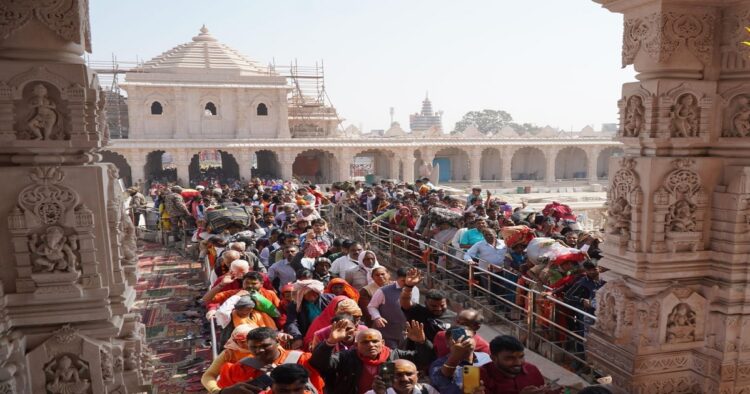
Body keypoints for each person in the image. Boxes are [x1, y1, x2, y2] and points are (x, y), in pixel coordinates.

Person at [309, 324, 435, 394]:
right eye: (365, 342)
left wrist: (422, 342)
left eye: (375, 341)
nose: (371, 345)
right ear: (356, 345)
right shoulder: (345, 357)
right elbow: (319, 364)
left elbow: (424, 360)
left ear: (383, 342)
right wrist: (330, 342)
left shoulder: (395, 356)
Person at [217, 327, 324, 393]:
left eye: (265, 345)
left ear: (277, 342)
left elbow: (317, 388)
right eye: (253, 347)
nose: (259, 350)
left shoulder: (303, 360)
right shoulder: (237, 368)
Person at [480, 335, 556, 394]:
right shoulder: (481, 376)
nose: (518, 363)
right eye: (510, 358)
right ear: (493, 358)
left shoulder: (532, 370)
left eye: (521, 357)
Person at [368, 267, 421, 348]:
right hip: (387, 333)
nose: (406, 283)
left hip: (406, 333)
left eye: (408, 281)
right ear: (397, 279)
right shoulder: (383, 291)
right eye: (403, 281)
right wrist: (377, 317)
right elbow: (372, 306)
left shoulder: (415, 290)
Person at [428, 327, 491, 394]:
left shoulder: (485, 357)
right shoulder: (438, 365)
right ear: (447, 343)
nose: (465, 341)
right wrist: (455, 356)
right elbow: (444, 387)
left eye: (468, 337)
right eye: (457, 338)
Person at [399, 268, 453, 342]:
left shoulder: (454, 317)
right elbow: (405, 301)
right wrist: (408, 287)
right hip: (419, 351)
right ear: (426, 303)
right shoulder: (418, 312)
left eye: (442, 305)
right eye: (434, 306)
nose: (439, 308)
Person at [201, 324, 254, 393]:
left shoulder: (264, 351)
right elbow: (208, 375)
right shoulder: (229, 353)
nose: (246, 345)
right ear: (234, 340)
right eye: (242, 341)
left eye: (249, 341)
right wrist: (217, 391)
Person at [285, 280, 335, 349]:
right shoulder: (294, 305)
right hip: (309, 336)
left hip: (331, 332)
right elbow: (292, 323)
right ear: (303, 293)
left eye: (316, 292)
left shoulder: (330, 299)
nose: (315, 295)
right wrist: (297, 337)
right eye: (311, 292)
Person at [366, 359, 439, 394]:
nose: (405, 379)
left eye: (409, 374)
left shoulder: (427, 390)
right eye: (398, 375)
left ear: (418, 375)